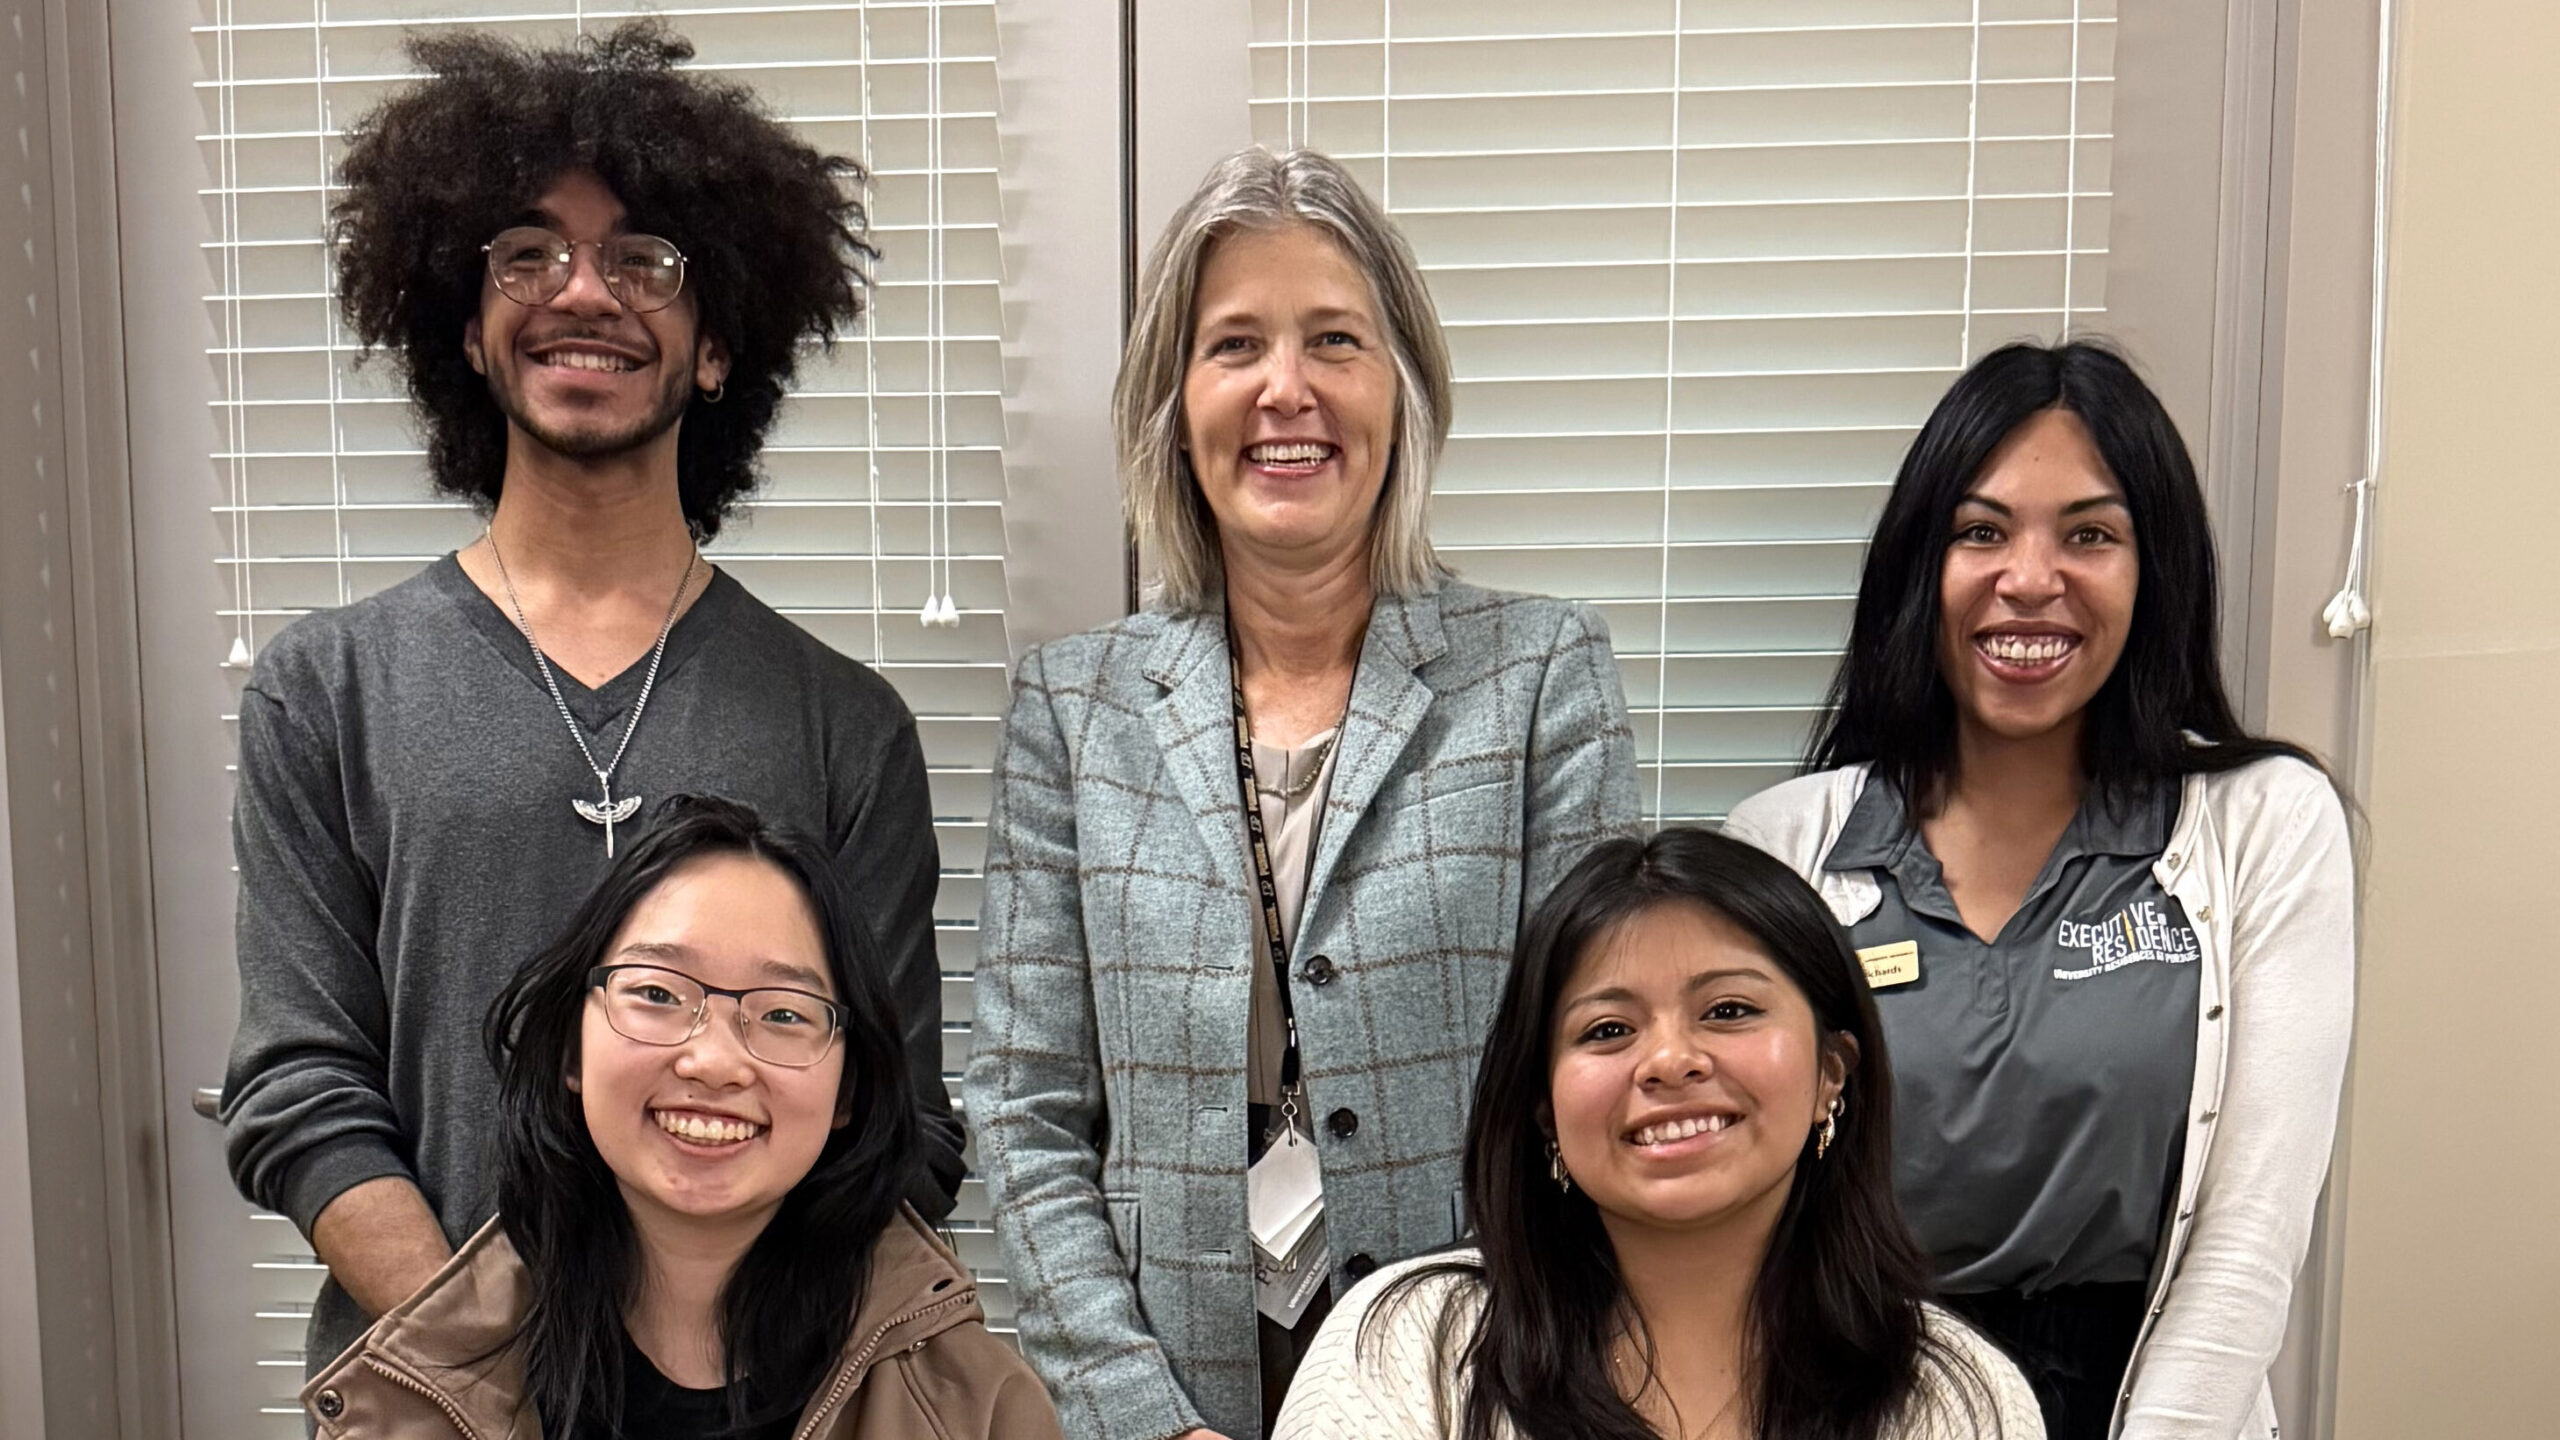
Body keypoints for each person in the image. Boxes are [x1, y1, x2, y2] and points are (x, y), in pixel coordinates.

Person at [220, 22, 964, 1375]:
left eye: (643, 262)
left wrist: (696, 1377)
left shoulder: (844, 729)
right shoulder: (325, 693)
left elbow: (896, 1127)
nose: (583, 293)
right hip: (433, 1402)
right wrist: (489, 1369)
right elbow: (301, 1090)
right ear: (467, 326)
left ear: (718, 343)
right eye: (529, 254)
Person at [963, 146, 1642, 1440]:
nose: (1287, 389)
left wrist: (1496, 1384)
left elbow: (1600, 1064)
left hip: (1471, 1372)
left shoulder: (1540, 675)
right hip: (1168, 1374)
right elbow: (1024, 1107)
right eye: (1235, 345)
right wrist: (1141, 1417)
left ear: (1404, 389)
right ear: (1174, 405)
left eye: (1335, 339)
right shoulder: (1075, 707)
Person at [1722, 341, 2355, 1439]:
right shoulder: (1785, 845)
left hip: (2149, 1402)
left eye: (2089, 535)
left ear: (2155, 571)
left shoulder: (2264, 823)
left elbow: (2252, 1233)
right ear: (1919, 565)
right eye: (1981, 531)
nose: (2028, 578)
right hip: (1864, 1401)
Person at [298, 795, 1061, 1439]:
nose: (714, 1062)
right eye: (658, 994)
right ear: (570, 1050)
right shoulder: (415, 1398)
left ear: (848, 1091)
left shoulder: (979, 1411)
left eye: (784, 1013)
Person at [1272, 828, 2040, 1440]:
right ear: (1544, 1108)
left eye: (1729, 1011)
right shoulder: (1406, 1347)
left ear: (1830, 1074)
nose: (1670, 1061)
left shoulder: (1958, 1395)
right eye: (1608, 1029)